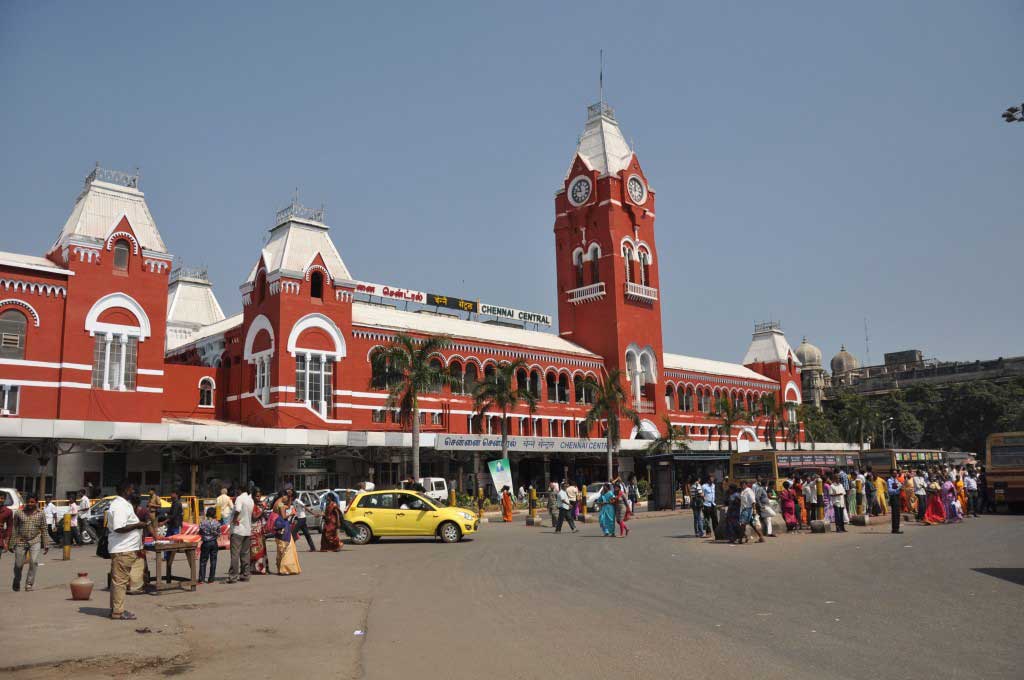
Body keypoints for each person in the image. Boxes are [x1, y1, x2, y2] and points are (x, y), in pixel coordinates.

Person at [106, 481, 145, 619]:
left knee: (119, 581)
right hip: (123, 549)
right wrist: (137, 525)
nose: (133, 492)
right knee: (120, 582)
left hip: (125, 548)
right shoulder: (120, 505)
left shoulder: (123, 504)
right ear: (126, 490)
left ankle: (116, 608)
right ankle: (118, 612)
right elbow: (119, 527)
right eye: (132, 489)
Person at [11, 494, 48, 592]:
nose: (30, 504)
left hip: (35, 540)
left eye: (32, 502)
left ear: (36, 502)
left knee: (33, 561)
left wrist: (46, 543)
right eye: (28, 502)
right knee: (18, 564)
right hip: (21, 541)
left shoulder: (41, 513)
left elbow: (44, 528)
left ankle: (29, 584)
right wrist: (12, 543)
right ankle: (17, 580)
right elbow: (14, 528)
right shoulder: (19, 513)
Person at [227, 485, 253, 583]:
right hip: (247, 530)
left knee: (235, 554)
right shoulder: (250, 500)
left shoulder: (240, 498)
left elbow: (237, 510)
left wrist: (234, 520)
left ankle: (233, 576)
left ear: (239, 490)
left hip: (238, 530)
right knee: (245, 554)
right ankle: (245, 575)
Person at [271, 498, 301, 575]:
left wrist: (290, 499)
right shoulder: (281, 505)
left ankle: (280, 567)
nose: (287, 498)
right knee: (287, 548)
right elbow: (284, 516)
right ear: (283, 496)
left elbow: (287, 506)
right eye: (286, 496)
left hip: (279, 527)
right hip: (283, 527)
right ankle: (285, 569)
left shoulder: (277, 504)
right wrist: (291, 514)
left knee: (280, 549)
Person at [198, 507, 220, 584]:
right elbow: (219, 533)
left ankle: (201, 579)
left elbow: (200, 532)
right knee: (213, 561)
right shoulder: (217, 523)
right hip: (214, 543)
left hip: (206, 543)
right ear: (214, 514)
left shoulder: (203, 522)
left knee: (203, 561)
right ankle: (211, 579)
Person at [249, 488, 269, 574]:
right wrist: (263, 510)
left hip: (260, 530)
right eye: (257, 496)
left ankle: (262, 568)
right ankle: (254, 568)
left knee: (262, 549)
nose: (259, 498)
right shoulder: (252, 505)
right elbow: (254, 518)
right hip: (253, 530)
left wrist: (264, 512)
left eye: (260, 496)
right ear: (253, 496)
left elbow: (263, 516)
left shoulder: (259, 505)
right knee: (255, 550)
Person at [0, 490, 12, 561]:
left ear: (4, 499)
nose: (0, 500)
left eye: (1, 498)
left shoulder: (8, 511)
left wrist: (6, 542)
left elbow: (9, 527)